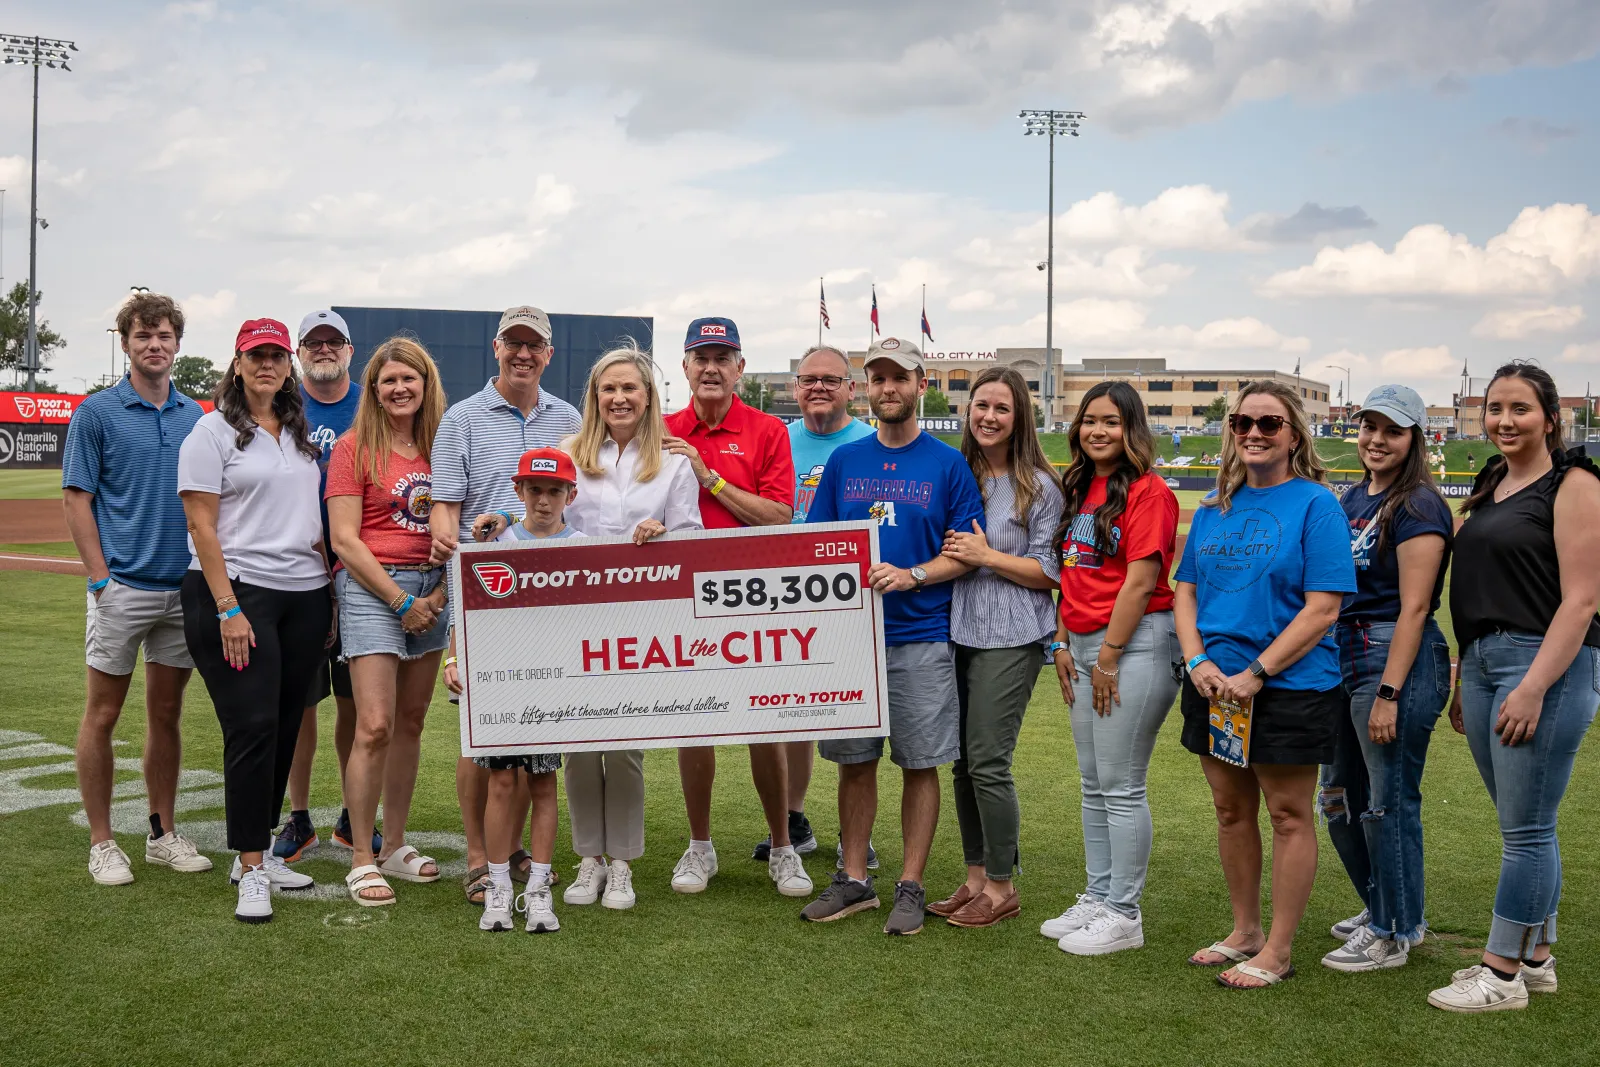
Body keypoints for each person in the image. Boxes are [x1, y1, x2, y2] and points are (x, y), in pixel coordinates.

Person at [486, 344, 702, 911]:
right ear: (595, 397)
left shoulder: (675, 462)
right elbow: (544, 510)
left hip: (640, 621)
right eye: (609, 389)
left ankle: (623, 864)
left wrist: (665, 532)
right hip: (572, 622)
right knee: (579, 745)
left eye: (630, 388)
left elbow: (695, 542)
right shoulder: (569, 452)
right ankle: (588, 861)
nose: (619, 397)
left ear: (648, 396)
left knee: (625, 747)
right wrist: (507, 518)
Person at [1428, 362, 1600, 1013]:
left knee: (1525, 830)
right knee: (1528, 823)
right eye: (1494, 407)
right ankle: (1538, 957)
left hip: (1544, 663)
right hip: (1484, 661)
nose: (1504, 419)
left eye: (1520, 408)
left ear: (1550, 417)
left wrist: (1532, 686)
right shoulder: (1493, 479)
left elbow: (1582, 599)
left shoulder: (1574, 481)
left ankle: (1500, 975)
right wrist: (1462, 674)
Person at [800, 337, 985, 936]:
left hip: (921, 635)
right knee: (854, 764)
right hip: (851, 640)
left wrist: (914, 576)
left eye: (899, 378)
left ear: (920, 385)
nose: (888, 388)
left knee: (919, 764)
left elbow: (969, 554)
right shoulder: (846, 463)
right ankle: (854, 879)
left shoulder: (948, 464)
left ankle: (910, 882)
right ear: (867, 387)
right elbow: (814, 545)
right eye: (877, 378)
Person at [1174, 379, 1355, 988]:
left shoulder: (1316, 504)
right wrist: (1198, 663)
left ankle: (1276, 949)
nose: (1253, 432)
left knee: (1287, 814)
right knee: (1230, 811)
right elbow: (1187, 593)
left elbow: (1323, 607)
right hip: (1213, 687)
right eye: (1242, 422)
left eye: (1269, 423)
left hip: (1289, 686)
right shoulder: (1213, 507)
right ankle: (1244, 930)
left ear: (1293, 433)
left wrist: (1257, 674)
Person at [178, 318, 332, 922]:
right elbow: (202, 526)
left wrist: (328, 599)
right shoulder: (210, 432)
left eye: (275, 355)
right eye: (254, 355)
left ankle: (264, 849)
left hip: (304, 592)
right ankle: (247, 867)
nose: (266, 364)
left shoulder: (297, 433)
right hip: (238, 593)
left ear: (288, 364)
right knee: (252, 727)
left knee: (287, 725)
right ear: (237, 364)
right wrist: (228, 608)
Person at [428, 305, 581, 905]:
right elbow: (445, 503)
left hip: (548, 603)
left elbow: (573, 500)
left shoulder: (568, 416)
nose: (523, 354)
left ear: (548, 353)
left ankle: (513, 851)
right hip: (486, 594)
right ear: (496, 348)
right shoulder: (462, 418)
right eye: (513, 343)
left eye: (534, 345)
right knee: (483, 734)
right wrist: (453, 543)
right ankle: (477, 856)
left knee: (534, 732)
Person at [62, 292, 211, 885]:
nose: (155, 345)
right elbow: (78, 499)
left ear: (177, 343)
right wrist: (100, 579)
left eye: (165, 335)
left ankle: (161, 832)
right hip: (122, 586)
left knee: (167, 714)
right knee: (102, 714)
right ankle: (102, 842)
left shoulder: (196, 416)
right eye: (144, 335)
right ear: (126, 343)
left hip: (182, 589)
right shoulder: (96, 413)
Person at [663, 317, 808, 900]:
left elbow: (778, 517)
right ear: (686, 366)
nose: (712, 367)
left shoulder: (768, 429)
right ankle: (700, 845)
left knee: (762, 723)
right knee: (693, 723)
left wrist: (709, 478)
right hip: (679, 592)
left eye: (723, 357)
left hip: (752, 596)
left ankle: (782, 847)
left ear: (741, 367)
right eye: (701, 357)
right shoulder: (663, 426)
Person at [1039, 380, 1181, 955]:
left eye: (1112, 422)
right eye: (1089, 420)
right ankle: (1099, 896)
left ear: (1133, 429)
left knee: (1121, 786)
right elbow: (1075, 573)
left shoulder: (1149, 492)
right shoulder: (1083, 486)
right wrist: (1063, 640)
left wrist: (1110, 658)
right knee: (1093, 783)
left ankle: (1125, 913)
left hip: (1135, 643)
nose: (1098, 430)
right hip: (1087, 643)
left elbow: (1141, 580)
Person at [1320, 385, 1453, 973]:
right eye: (1369, 427)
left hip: (1391, 657)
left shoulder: (1419, 505)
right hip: (1345, 654)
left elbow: (1416, 608)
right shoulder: (1353, 499)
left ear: (1414, 439)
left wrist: (1390, 695)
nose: (1376, 439)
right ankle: (1386, 905)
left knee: (1387, 803)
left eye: (1392, 431)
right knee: (1340, 798)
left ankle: (1392, 930)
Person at [929, 366, 1062, 929]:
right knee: (961, 763)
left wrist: (987, 557)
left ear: (1019, 418)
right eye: (980, 405)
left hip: (1012, 633)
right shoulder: (954, 473)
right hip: (954, 627)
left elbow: (1050, 572)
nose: (988, 416)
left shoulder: (1039, 484)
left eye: (1001, 408)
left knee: (987, 760)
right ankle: (976, 878)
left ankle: (1003, 886)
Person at [325, 337, 450, 907]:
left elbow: (462, 525)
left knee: (411, 721)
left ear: (426, 385)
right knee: (373, 724)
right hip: (376, 588)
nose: (399, 388)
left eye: (410, 378)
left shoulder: (444, 444)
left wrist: (441, 591)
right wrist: (402, 602)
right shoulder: (353, 447)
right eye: (387, 380)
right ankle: (361, 855)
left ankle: (396, 845)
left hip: (434, 587)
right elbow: (345, 540)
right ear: (373, 389)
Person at [459, 447, 586, 933]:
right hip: (500, 680)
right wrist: (456, 658)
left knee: (543, 784)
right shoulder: (496, 541)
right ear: (519, 491)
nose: (545, 500)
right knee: (501, 781)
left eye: (555, 491)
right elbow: (468, 603)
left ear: (570, 494)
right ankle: (497, 887)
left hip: (551, 683)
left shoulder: (582, 545)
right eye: (535, 489)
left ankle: (537, 891)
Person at [757, 344, 874, 867]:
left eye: (832, 379)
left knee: (855, 718)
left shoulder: (870, 442)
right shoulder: (780, 439)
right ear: (795, 388)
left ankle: (858, 832)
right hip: (787, 589)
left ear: (852, 389)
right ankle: (795, 820)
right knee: (788, 714)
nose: (819, 388)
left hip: (850, 595)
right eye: (809, 379)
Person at [277, 309, 365, 862]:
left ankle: (356, 816)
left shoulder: (371, 403)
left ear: (350, 351)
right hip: (297, 577)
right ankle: (299, 816)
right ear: (300, 352)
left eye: (334, 342)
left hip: (359, 575)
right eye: (314, 342)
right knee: (300, 704)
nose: (325, 350)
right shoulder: (281, 406)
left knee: (357, 706)